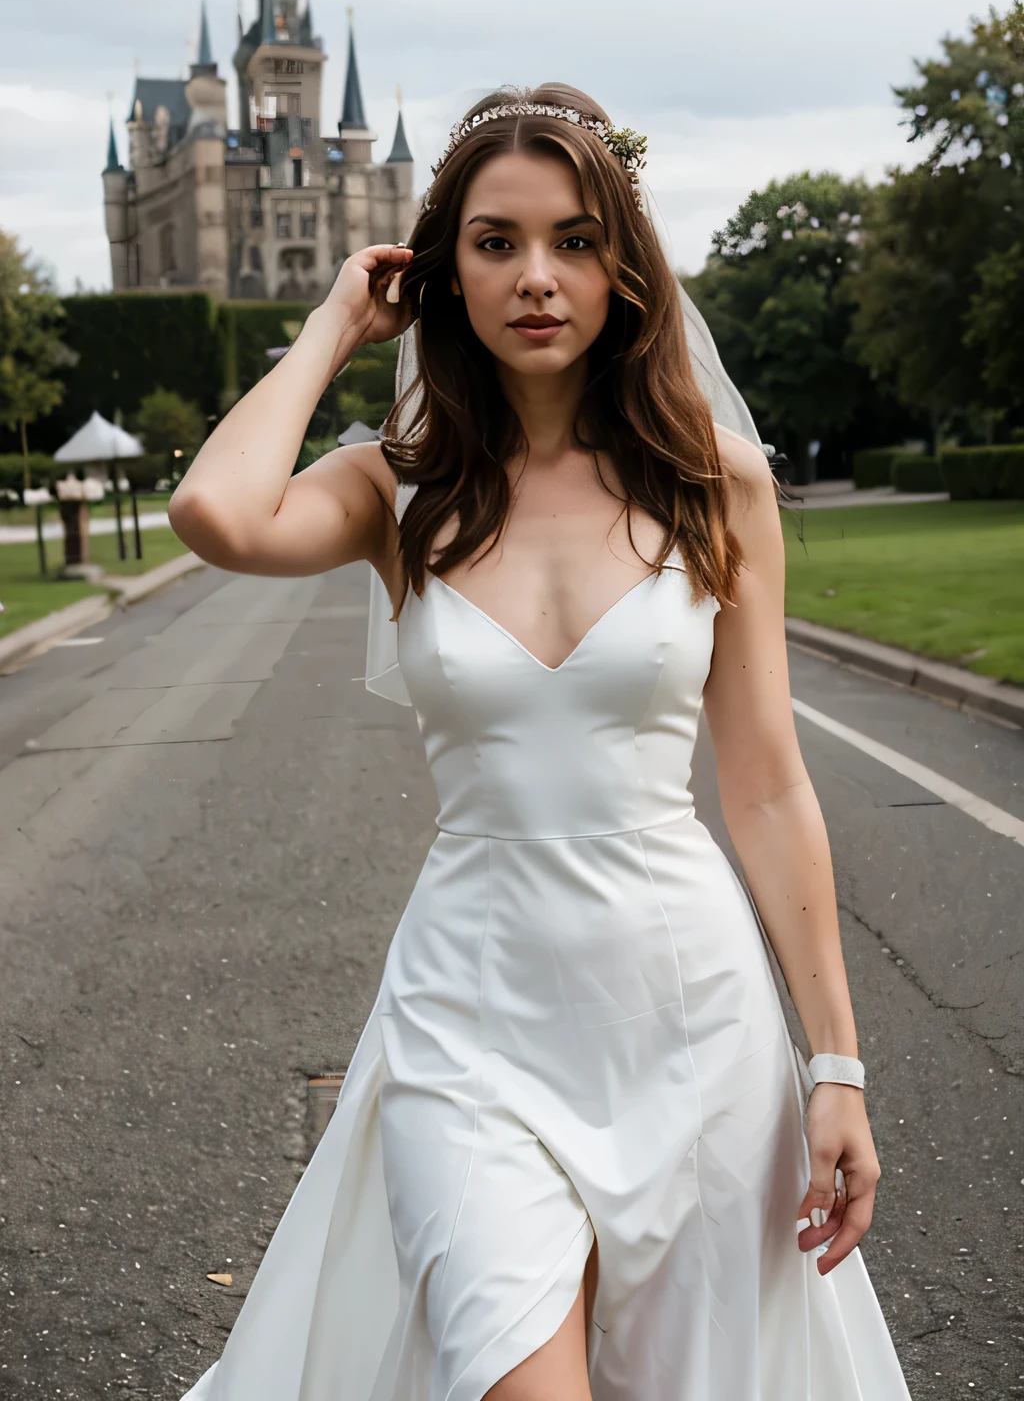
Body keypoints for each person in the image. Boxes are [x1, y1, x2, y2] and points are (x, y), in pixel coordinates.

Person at [169, 84, 913, 1400]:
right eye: (495, 241)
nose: (537, 277)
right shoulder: (394, 489)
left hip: (690, 1020)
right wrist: (337, 320)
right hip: (468, 1021)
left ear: (624, 264)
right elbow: (216, 513)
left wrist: (837, 1068)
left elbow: (768, 787)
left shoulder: (716, 484)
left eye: (574, 239)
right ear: (442, 270)